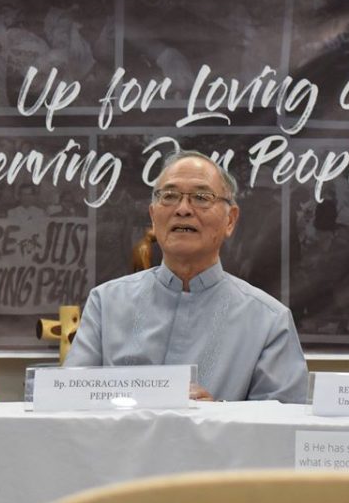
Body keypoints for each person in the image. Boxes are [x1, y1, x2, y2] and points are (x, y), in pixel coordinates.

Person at [65, 150, 308, 403]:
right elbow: (68, 404)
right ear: (153, 216)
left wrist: (219, 415)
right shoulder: (106, 303)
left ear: (230, 220)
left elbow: (281, 429)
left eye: (201, 197)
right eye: (169, 196)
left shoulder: (269, 321)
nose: (183, 209)